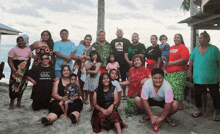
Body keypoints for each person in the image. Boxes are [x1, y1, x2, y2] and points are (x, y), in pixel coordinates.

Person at [188, 31, 220, 120]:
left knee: (215, 96)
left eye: (201, 38)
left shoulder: (214, 49)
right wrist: (189, 71)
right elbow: (191, 61)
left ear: (207, 39)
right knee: (197, 95)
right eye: (199, 38)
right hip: (198, 78)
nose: (199, 40)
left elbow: (219, 62)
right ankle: (199, 110)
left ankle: (217, 111)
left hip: (212, 78)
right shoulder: (195, 49)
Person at [164, 33, 189, 110]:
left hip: (179, 72)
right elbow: (165, 59)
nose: (176, 39)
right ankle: (171, 104)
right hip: (169, 72)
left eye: (178, 38)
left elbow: (184, 60)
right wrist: (164, 69)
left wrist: (172, 63)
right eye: (175, 38)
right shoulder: (170, 48)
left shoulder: (183, 48)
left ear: (181, 39)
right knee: (169, 89)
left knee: (178, 88)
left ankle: (180, 105)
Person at [8, 35, 32, 110]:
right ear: (17, 42)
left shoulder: (28, 50)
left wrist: (27, 70)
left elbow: (29, 59)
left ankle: (18, 103)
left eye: (22, 40)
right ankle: (11, 103)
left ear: (25, 41)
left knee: (22, 86)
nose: (21, 42)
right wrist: (15, 71)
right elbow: (9, 61)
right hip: (16, 71)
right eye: (19, 41)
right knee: (13, 86)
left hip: (24, 71)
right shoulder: (13, 49)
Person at [110, 29, 131, 100]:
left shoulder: (127, 41)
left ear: (123, 33)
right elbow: (110, 53)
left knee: (123, 78)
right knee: (113, 78)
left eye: (120, 31)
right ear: (116, 33)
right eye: (118, 32)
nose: (119, 33)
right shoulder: (113, 42)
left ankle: (124, 93)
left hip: (124, 63)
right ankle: (113, 93)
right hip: (115, 63)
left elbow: (130, 51)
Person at [81, 34, 95, 105]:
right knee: (81, 83)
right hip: (80, 65)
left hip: (89, 65)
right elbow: (77, 56)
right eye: (86, 39)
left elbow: (94, 58)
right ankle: (82, 98)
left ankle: (86, 98)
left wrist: (84, 57)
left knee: (87, 82)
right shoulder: (81, 47)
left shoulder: (92, 48)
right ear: (84, 40)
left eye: (89, 39)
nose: (88, 41)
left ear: (91, 41)